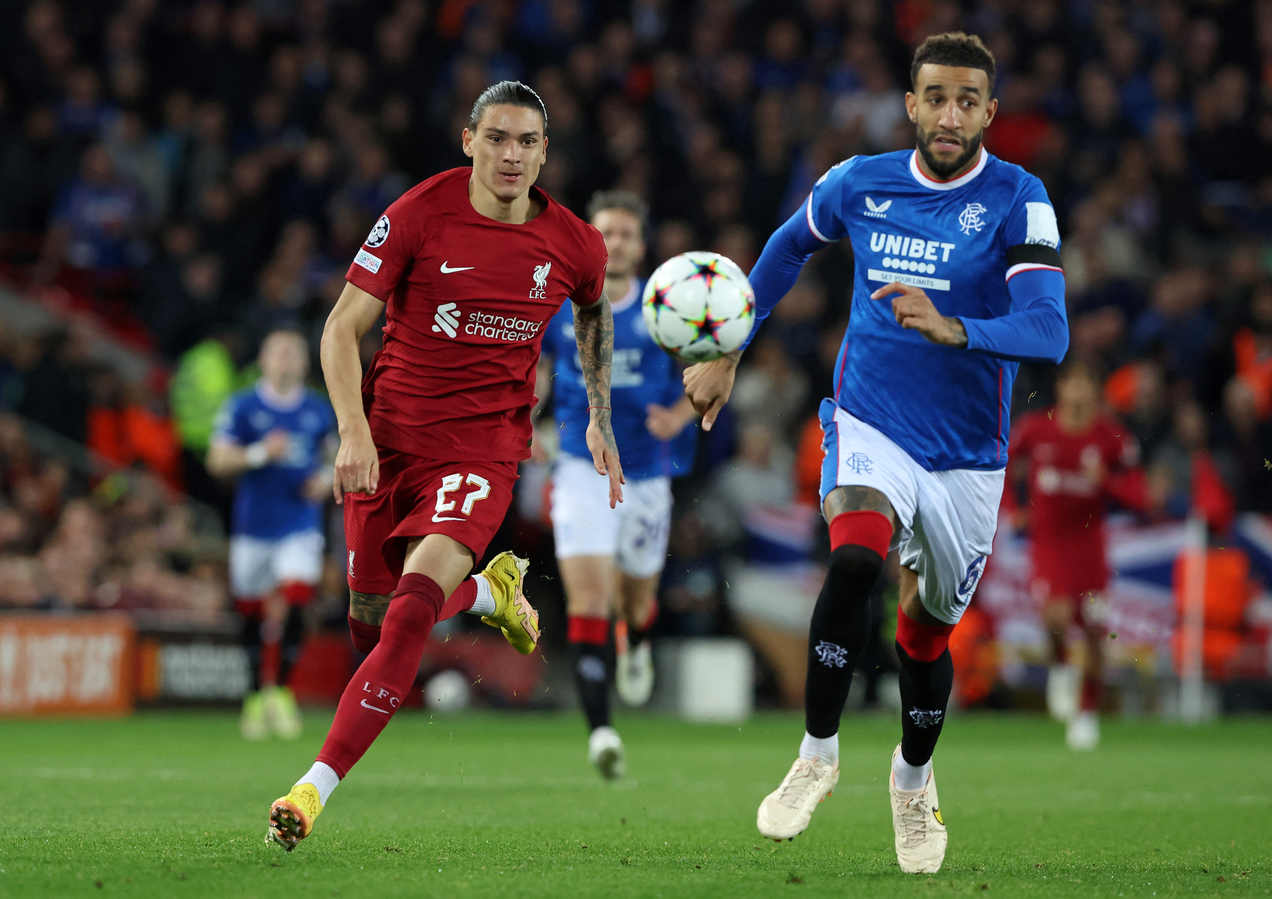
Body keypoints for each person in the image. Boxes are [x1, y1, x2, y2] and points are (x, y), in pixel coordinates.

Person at [684, 33, 1069, 874]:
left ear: (989, 114)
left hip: (967, 454)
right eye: (935, 96)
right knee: (855, 557)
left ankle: (912, 777)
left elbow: (1050, 327)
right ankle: (816, 755)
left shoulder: (1017, 197)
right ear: (911, 103)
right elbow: (787, 248)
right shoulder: (860, 181)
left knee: (925, 635)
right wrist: (729, 344)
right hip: (871, 421)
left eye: (968, 100)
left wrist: (956, 325)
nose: (950, 114)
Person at [265, 81, 624, 851]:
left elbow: (594, 312)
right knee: (369, 620)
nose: (511, 155)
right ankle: (490, 590)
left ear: (544, 153)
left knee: (407, 610)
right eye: (497, 138)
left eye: (527, 142)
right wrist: (352, 431)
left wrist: (598, 416)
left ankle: (312, 787)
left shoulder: (573, 243)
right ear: (469, 141)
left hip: (483, 453)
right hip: (388, 443)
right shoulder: (418, 214)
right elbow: (339, 328)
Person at [540, 189, 695, 778]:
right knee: (590, 599)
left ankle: (639, 639)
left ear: (642, 244)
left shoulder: (667, 306)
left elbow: (709, 364)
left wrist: (678, 416)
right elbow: (537, 372)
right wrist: (523, 419)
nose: (616, 242)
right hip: (582, 468)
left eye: (627, 233)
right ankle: (602, 730)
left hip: (648, 475)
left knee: (635, 600)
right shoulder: (562, 306)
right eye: (605, 231)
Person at [1007, 359, 1147, 750]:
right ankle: (1061, 667)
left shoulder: (1112, 438)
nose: (1079, 391)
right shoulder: (1036, 429)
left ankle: (1086, 715)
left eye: (1087, 383)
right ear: (1062, 387)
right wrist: (1011, 510)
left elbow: (1140, 496)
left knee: (1094, 632)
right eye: (1073, 382)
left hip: (1090, 545)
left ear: (1096, 391)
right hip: (1049, 542)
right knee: (1054, 616)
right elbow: (1003, 465)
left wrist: (1107, 483)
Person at [208, 328, 337, 740]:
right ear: (263, 360)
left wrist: (325, 478)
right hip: (253, 526)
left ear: (305, 361)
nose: (285, 360)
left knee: (298, 593)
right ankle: (253, 694)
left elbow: (337, 458)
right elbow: (217, 460)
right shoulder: (244, 406)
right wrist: (261, 452)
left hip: (299, 523)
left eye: (293, 353)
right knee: (250, 608)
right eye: (277, 352)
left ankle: (280, 690)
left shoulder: (318, 410)